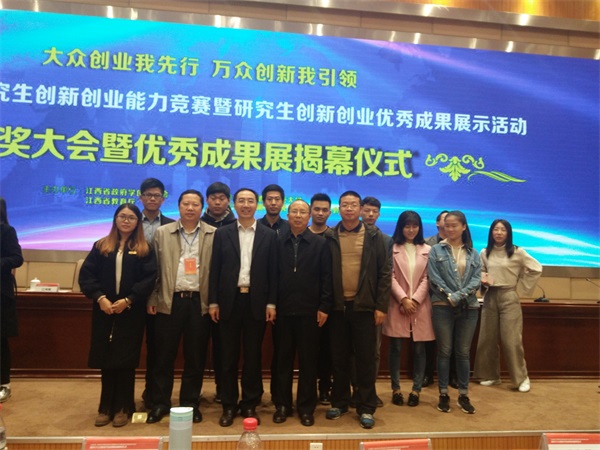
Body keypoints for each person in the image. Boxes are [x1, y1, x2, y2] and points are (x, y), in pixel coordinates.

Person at [79, 203, 157, 427]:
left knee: (125, 360)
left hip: (131, 311)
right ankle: (105, 407)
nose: (126, 221)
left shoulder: (144, 248)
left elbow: (148, 279)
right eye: (122, 216)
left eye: (131, 217)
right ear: (115, 219)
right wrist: (100, 298)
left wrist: (129, 300)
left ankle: (124, 407)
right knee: (106, 358)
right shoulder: (101, 245)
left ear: (137, 222)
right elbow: (87, 276)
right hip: (104, 309)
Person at [145, 190, 216, 424]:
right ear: (179, 206)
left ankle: (190, 403)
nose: (190, 208)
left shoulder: (213, 234)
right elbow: (154, 269)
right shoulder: (162, 232)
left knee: (195, 357)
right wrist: (153, 298)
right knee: (163, 355)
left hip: (199, 302)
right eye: (186, 204)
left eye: (195, 204)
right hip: (169, 300)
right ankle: (160, 403)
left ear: (202, 208)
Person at [209, 188, 278, 427]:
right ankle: (229, 405)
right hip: (229, 301)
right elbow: (214, 270)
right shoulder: (222, 233)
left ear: (257, 205)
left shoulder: (269, 235)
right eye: (241, 201)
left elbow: (273, 273)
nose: (246, 205)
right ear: (234, 204)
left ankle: (250, 403)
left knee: (252, 356)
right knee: (227, 356)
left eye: (250, 201)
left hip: (256, 302)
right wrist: (213, 301)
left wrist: (271, 303)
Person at [324, 191, 391, 429]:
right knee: (339, 357)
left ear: (361, 209)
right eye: (345, 205)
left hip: (365, 307)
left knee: (365, 359)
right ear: (339, 208)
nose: (349, 209)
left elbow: (385, 273)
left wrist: (381, 306)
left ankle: (366, 406)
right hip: (338, 308)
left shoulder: (375, 236)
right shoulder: (330, 236)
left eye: (353, 205)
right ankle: (340, 402)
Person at [272, 199, 333, 427]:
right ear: (287, 215)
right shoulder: (277, 241)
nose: (298, 215)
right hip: (283, 311)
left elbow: (327, 277)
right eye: (294, 211)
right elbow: (270, 276)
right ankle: (282, 405)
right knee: (282, 361)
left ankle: (306, 407)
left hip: (311, 312)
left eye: (302, 212)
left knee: (309, 362)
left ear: (308, 216)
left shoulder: (320, 244)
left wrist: (324, 306)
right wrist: (271, 304)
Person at [474, 219, 542, 393]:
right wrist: (483, 278)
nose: (499, 233)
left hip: (509, 296)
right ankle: (491, 375)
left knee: (511, 340)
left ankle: (521, 378)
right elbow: (480, 270)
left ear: (508, 233)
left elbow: (536, 268)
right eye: (496, 229)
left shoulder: (517, 252)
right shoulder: (484, 252)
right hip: (490, 296)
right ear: (491, 232)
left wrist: (521, 285)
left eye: (503, 230)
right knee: (487, 339)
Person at [428, 210, 481, 414]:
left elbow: (476, 280)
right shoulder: (436, 250)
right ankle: (443, 394)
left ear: (464, 227)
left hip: (468, 307)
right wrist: (449, 296)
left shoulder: (473, 253)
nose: (449, 229)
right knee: (444, 351)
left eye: (454, 225)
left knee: (463, 353)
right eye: (446, 225)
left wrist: (458, 296)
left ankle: (463, 395)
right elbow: (434, 279)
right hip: (442, 306)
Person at [382, 211, 434, 408]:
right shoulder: (392, 248)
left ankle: (416, 390)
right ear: (401, 227)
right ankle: (396, 389)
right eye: (407, 226)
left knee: (420, 349)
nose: (411, 230)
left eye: (415, 226)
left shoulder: (428, 249)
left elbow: (428, 278)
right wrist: (403, 299)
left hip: (420, 305)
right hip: (398, 304)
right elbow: (389, 276)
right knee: (395, 348)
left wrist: (415, 300)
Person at [138, 178, 175, 411]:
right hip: (132, 294)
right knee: (131, 346)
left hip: (160, 296)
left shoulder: (172, 225)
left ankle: (153, 394)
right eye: (148, 195)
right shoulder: (130, 221)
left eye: (157, 195)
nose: (152, 199)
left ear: (163, 198)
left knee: (157, 347)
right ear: (141, 197)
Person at [200, 181, 237, 404]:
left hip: (226, 297)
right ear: (207, 200)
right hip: (199, 293)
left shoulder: (236, 224)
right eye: (213, 198)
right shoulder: (198, 223)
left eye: (221, 198)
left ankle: (223, 390)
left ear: (228, 201)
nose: (217, 202)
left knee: (224, 347)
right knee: (198, 346)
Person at [358, 196, 392, 407]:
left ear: (379, 214)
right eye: (367, 210)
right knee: (350, 351)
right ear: (360, 210)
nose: (370, 215)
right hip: (351, 304)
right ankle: (353, 390)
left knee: (373, 351)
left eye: (374, 212)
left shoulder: (385, 240)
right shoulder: (346, 234)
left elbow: (385, 275)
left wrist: (381, 306)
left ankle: (369, 391)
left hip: (373, 305)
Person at [308, 193, 333, 405]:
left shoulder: (334, 237)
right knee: (308, 351)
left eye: (324, 210)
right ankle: (308, 390)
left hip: (327, 302)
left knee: (326, 349)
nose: (320, 213)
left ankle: (325, 388)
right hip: (304, 303)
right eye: (316, 209)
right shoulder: (300, 234)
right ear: (310, 211)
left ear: (330, 212)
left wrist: (326, 303)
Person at [0, 197, 24, 403]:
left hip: (0, 294)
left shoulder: (6, 231)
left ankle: (3, 384)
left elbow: (17, 258)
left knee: (0, 340)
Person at [423, 210, 449, 387]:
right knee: (428, 339)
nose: (448, 224)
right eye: (445, 220)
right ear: (437, 223)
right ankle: (427, 374)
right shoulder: (426, 244)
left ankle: (450, 375)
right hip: (429, 296)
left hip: (452, 298)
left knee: (450, 340)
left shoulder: (463, 244)